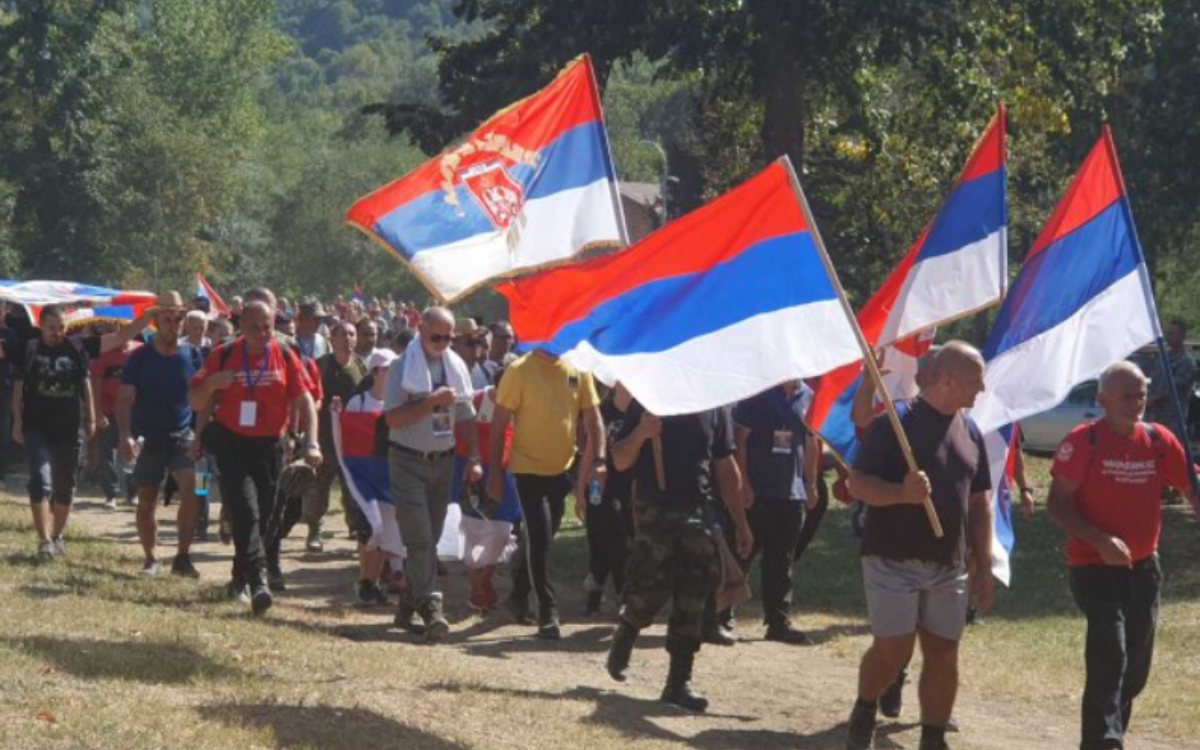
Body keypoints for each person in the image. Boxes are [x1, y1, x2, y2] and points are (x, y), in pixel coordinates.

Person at [844, 342, 995, 750]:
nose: (981, 388)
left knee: (944, 651)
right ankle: (865, 707)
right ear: (946, 380)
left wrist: (984, 566)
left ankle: (932, 737)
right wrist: (900, 493)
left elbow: (980, 504)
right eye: (975, 380)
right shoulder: (894, 422)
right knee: (893, 651)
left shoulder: (971, 431)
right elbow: (857, 483)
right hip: (892, 557)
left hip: (949, 563)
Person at [1047, 361, 1198, 750]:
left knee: (1134, 669)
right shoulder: (1084, 441)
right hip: (1094, 567)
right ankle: (1102, 742)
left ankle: (1112, 732)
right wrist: (1099, 540)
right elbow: (1058, 504)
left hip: (1144, 568)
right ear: (1102, 400)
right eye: (1126, 397)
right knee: (1109, 655)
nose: (1136, 404)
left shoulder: (1158, 440)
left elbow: (1190, 486)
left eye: (1141, 396)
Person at [604, 399, 753, 712]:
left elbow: (725, 465)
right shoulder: (650, 397)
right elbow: (619, 459)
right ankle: (629, 628)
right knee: (650, 587)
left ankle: (678, 681)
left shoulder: (714, 403)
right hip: (654, 508)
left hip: (698, 508)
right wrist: (642, 432)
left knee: (693, 595)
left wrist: (741, 523)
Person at [189, 299, 320, 615]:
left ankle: (239, 578)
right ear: (241, 327)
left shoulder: (284, 354)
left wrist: (312, 443)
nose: (262, 333)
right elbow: (196, 401)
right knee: (246, 512)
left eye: (267, 327)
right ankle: (259, 580)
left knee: (265, 515)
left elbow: (306, 401)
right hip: (232, 444)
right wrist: (212, 384)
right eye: (254, 327)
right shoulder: (223, 354)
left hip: (271, 446)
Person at [489, 349, 605, 639]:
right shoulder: (519, 371)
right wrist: (495, 475)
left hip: (561, 470)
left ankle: (518, 595)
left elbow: (593, 418)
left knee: (542, 537)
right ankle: (547, 611)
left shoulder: (578, 368)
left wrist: (600, 460)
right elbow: (498, 425)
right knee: (540, 539)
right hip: (527, 470)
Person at [384, 306, 481, 642]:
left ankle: (406, 606)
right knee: (420, 539)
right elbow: (392, 418)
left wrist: (475, 457)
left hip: (444, 462)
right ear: (420, 329)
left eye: (448, 338)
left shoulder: (455, 367)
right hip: (407, 460)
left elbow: (466, 415)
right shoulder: (401, 367)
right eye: (435, 337)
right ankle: (432, 608)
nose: (441, 344)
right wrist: (430, 401)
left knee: (431, 538)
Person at [725, 378, 819, 644]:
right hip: (758, 491)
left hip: (791, 493)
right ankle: (721, 615)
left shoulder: (808, 396)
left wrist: (810, 483)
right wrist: (743, 483)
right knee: (742, 552)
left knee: (782, 561)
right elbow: (740, 440)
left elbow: (812, 441)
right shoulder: (757, 393)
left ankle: (778, 622)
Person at [117, 292, 204, 578]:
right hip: (148, 438)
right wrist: (125, 435)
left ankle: (183, 557)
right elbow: (125, 399)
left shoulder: (192, 354)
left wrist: (201, 434)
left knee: (195, 487)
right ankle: (151, 559)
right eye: (168, 319)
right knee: (147, 499)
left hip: (183, 435)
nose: (174, 324)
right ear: (155, 321)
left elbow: (203, 397)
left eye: (178, 319)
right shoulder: (139, 357)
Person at [11, 305, 96, 557]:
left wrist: (91, 418)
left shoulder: (76, 348)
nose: (57, 332)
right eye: (52, 328)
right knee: (40, 480)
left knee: (65, 485)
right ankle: (44, 540)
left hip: (69, 428)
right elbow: (18, 389)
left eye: (61, 327)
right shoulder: (29, 349)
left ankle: (57, 535)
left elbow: (86, 385)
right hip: (36, 426)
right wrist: (17, 422)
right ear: (41, 326)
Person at [306, 321, 368, 551]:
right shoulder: (320, 365)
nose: (348, 338)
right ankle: (314, 531)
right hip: (324, 439)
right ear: (332, 339)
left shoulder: (361, 366)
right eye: (343, 334)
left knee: (352, 488)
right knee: (318, 488)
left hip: (351, 442)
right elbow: (309, 399)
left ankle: (356, 528)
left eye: (352, 334)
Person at [583, 382, 635, 616]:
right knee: (600, 540)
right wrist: (580, 489)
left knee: (624, 541)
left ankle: (622, 594)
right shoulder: (603, 409)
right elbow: (590, 452)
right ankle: (596, 591)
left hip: (631, 486)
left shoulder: (641, 410)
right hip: (601, 486)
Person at [90, 331, 141, 509]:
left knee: (134, 452)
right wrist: (97, 412)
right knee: (106, 454)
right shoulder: (104, 354)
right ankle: (111, 493)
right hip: (109, 411)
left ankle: (201, 509)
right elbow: (95, 384)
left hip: (134, 412)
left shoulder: (141, 351)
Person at [1145, 320, 1196, 440]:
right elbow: (1154, 381)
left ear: (1183, 336)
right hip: (1154, 415)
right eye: (1167, 333)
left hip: (1173, 418)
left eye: (1173, 333)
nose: (1168, 337)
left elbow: (1172, 388)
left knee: (1171, 446)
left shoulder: (1187, 362)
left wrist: (1152, 399)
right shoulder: (1162, 358)